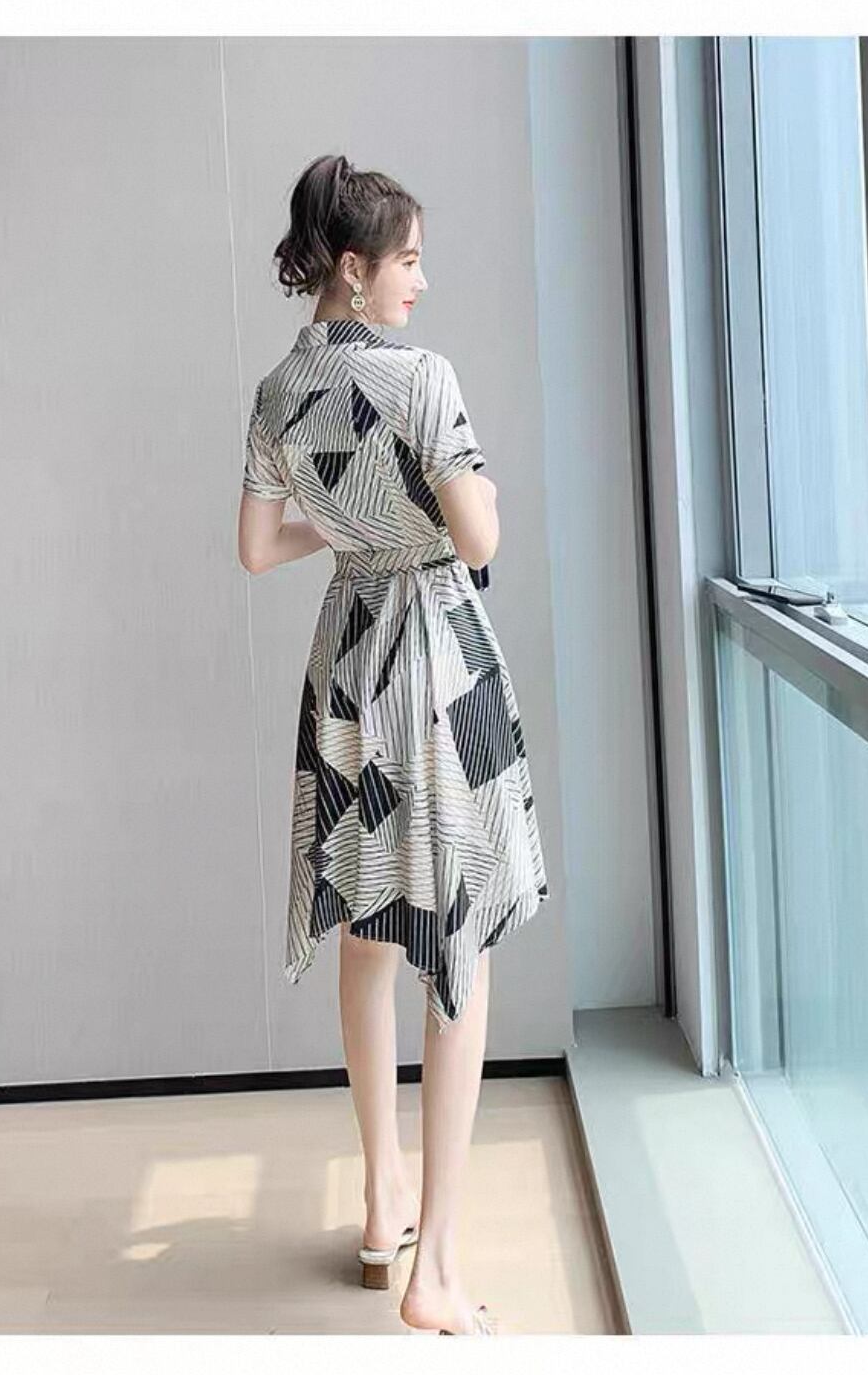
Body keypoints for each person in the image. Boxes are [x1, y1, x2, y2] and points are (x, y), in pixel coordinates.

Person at [237, 153, 549, 1337]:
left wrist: (353, 526)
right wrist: (463, 505)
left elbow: (257, 547)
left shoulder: (277, 388)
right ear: (356, 267)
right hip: (434, 661)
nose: (421, 280)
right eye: (409, 260)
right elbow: (477, 537)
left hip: (347, 657)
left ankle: (383, 1205)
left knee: (369, 924)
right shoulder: (421, 377)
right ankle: (438, 1270)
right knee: (456, 943)